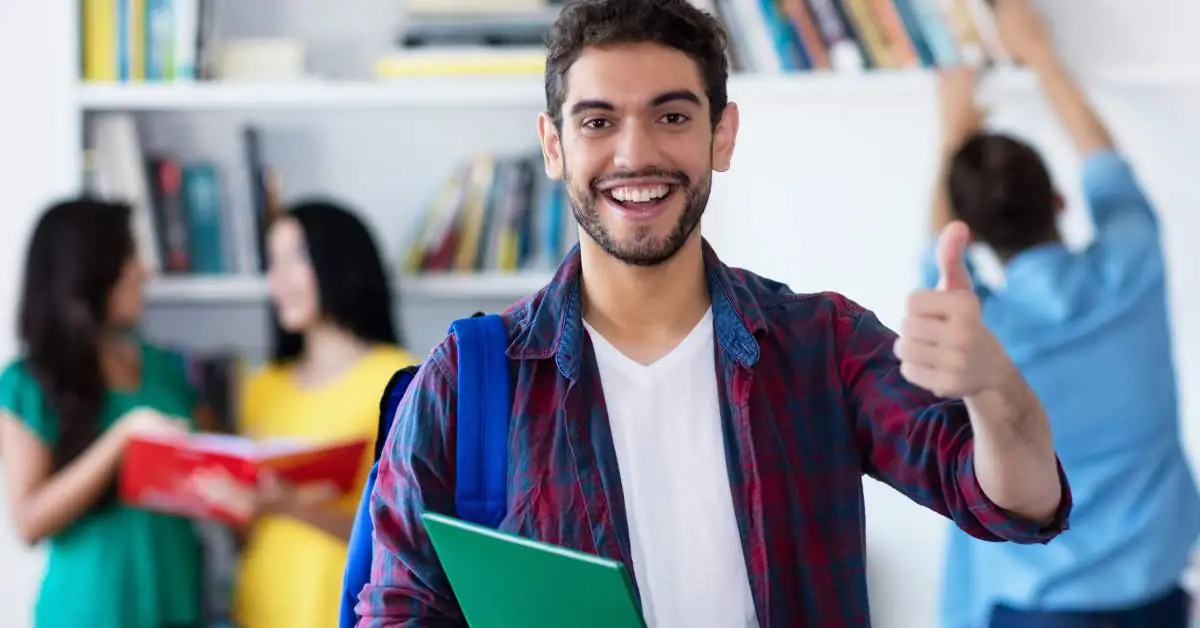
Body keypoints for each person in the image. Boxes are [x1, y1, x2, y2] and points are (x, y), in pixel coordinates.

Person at [358, 0, 1074, 626]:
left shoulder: (822, 344)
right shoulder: (468, 376)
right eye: (599, 121)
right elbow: (398, 609)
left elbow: (1016, 503)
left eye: (671, 116)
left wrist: (994, 389)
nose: (635, 153)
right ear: (555, 145)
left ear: (721, 136)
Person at [926, 2, 1200, 627]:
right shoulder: (1134, 266)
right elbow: (1109, 169)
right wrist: (1042, 57)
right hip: (1154, 590)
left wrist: (950, 136)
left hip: (1038, 604)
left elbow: (935, 261)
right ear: (1058, 200)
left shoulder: (974, 331)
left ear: (972, 234)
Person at [0, 199, 217, 628]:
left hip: (177, 607)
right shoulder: (27, 383)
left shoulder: (163, 368)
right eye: (129, 258)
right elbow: (29, 521)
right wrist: (123, 437)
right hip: (90, 612)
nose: (144, 273)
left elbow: (208, 460)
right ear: (87, 271)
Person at [230, 200, 419, 628]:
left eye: (295, 258)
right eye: (272, 262)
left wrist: (290, 505)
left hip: (342, 612)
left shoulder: (396, 378)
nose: (277, 280)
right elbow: (247, 534)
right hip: (260, 609)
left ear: (339, 262)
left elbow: (402, 533)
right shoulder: (262, 386)